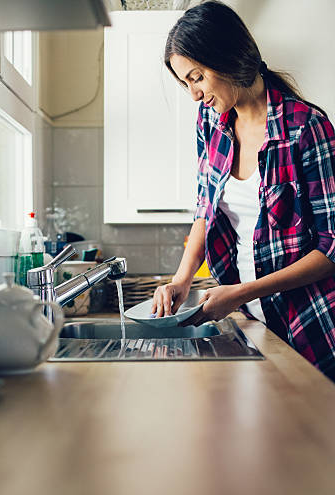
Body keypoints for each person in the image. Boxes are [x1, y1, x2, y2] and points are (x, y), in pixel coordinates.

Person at [151, 0, 335, 381]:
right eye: (185, 83)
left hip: (314, 326)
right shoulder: (210, 124)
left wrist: (242, 291)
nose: (194, 95)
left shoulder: (307, 127)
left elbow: (331, 249)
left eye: (197, 77)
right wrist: (181, 280)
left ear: (227, 57)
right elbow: (206, 209)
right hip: (254, 323)